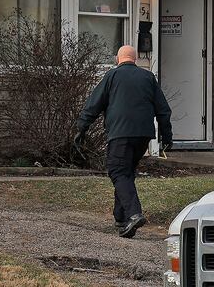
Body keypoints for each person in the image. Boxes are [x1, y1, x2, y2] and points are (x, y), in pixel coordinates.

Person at [74, 45, 173, 238]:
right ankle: (121, 217)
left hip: (120, 133)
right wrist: (166, 137)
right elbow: (163, 110)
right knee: (126, 172)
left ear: (118, 59)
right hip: (143, 136)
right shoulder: (148, 78)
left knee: (118, 171)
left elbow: (94, 104)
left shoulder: (112, 76)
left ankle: (134, 214)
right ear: (134, 60)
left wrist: (82, 128)